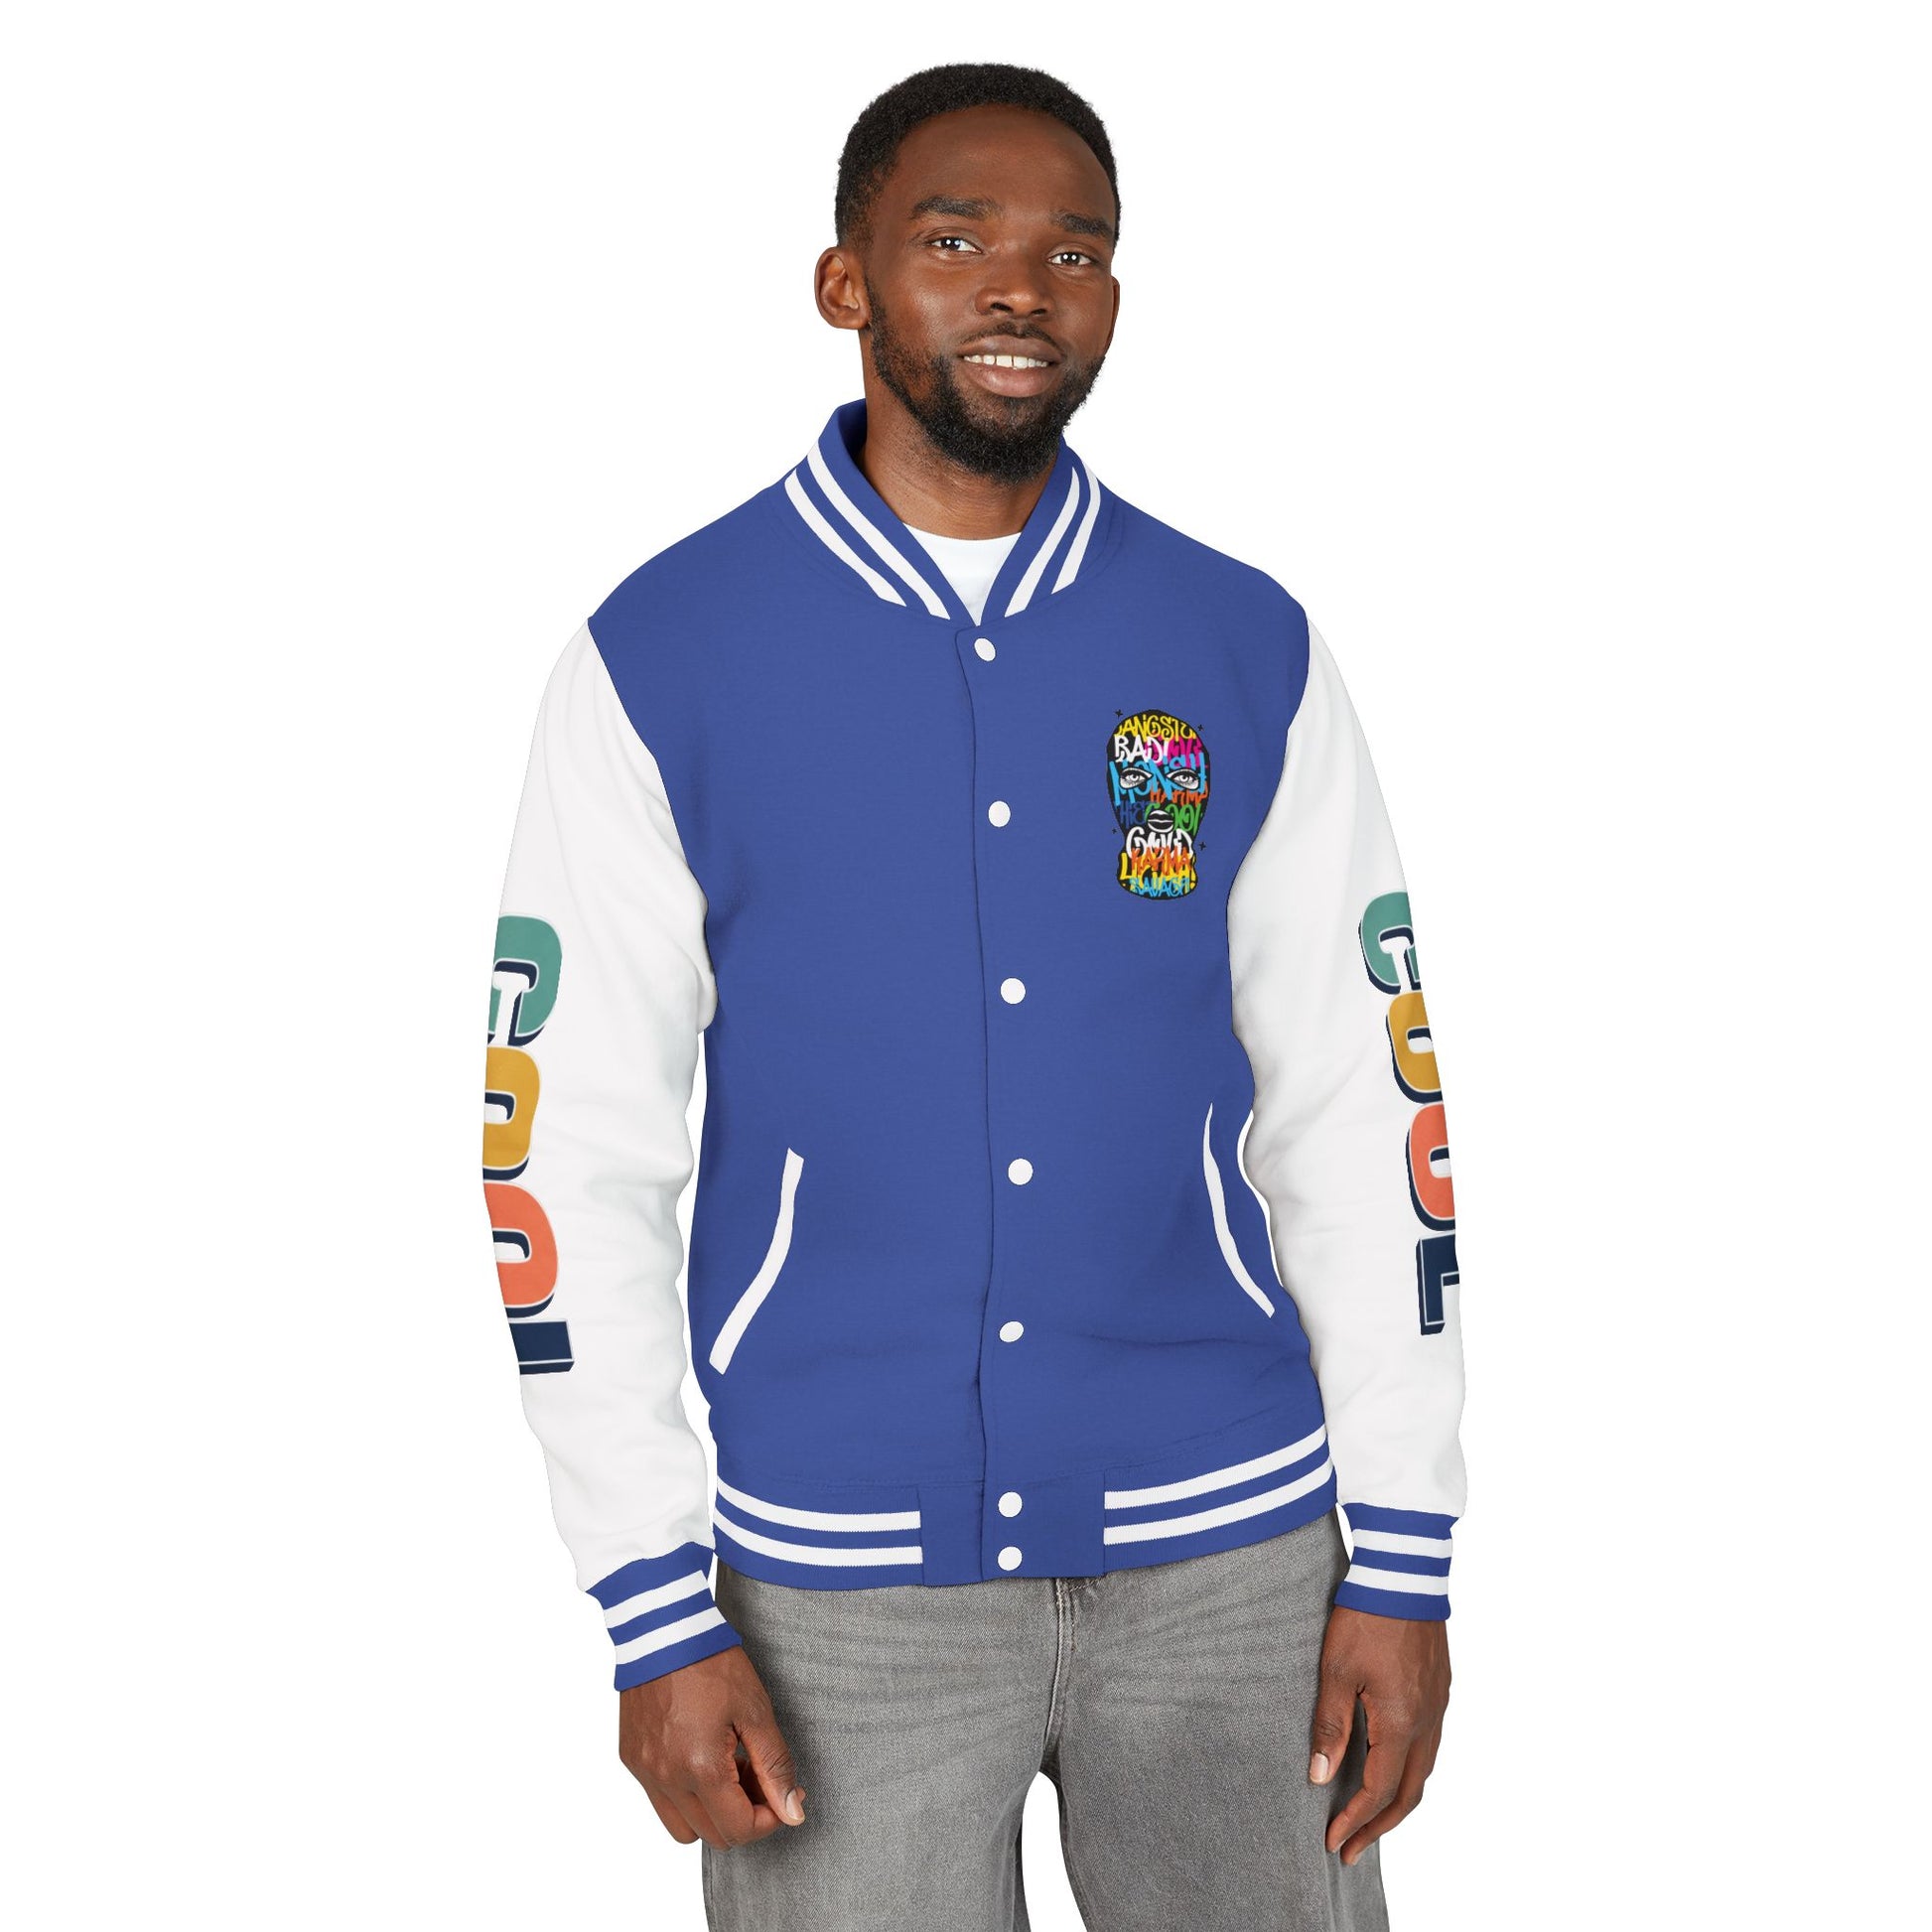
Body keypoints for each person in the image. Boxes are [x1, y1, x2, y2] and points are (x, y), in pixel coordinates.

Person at [482, 62, 1466, 1932]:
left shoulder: (1237, 643)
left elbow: (1366, 1100)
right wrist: (650, 1601)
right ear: (844, 283)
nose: (1023, 286)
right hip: (833, 1584)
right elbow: (564, 1147)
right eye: (956, 240)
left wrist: (1403, 1552)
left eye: (1074, 251)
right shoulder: (664, 654)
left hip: (1234, 1549)